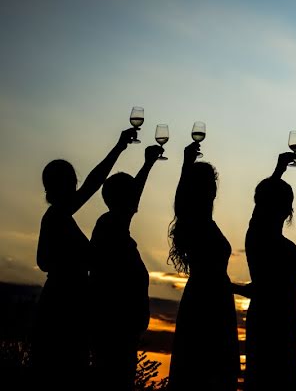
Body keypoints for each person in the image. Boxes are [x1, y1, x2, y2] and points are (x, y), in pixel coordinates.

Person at [33, 128, 135, 386]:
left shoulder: (60, 216)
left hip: (69, 305)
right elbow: (43, 261)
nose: (76, 185)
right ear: (63, 185)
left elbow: (93, 183)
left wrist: (120, 147)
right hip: (62, 307)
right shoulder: (56, 216)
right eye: (71, 181)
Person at [90, 144, 163, 390]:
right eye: (131, 197)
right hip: (115, 333)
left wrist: (148, 164)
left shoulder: (113, 225)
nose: (136, 203)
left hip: (122, 333)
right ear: (122, 200)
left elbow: (133, 196)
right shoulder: (110, 229)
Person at [167, 142, 240, 391]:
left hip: (218, 296)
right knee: (202, 368)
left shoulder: (207, 223)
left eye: (213, 184)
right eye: (209, 184)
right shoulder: (195, 221)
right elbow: (180, 204)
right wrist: (186, 164)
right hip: (205, 299)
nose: (214, 190)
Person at [245, 152, 296, 391]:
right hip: (270, 323)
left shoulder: (272, 238)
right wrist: (279, 170)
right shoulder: (259, 235)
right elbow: (262, 206)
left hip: (288, 325)